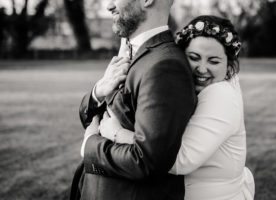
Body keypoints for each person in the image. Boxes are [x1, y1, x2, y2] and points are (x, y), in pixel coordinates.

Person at [98, 16, 255, 200]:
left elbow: (180, 160)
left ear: (228, 66)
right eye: (194, 58)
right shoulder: (193, 90)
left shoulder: (221, 95)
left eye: (213, 61)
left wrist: (117, 133)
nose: (202, 69)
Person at [69, 0, 197, 200]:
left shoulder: (166, 66)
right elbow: (94, 123)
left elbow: (147, 162)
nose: (109, 5)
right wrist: (98, 92)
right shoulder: (130, 54)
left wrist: (89, 148)